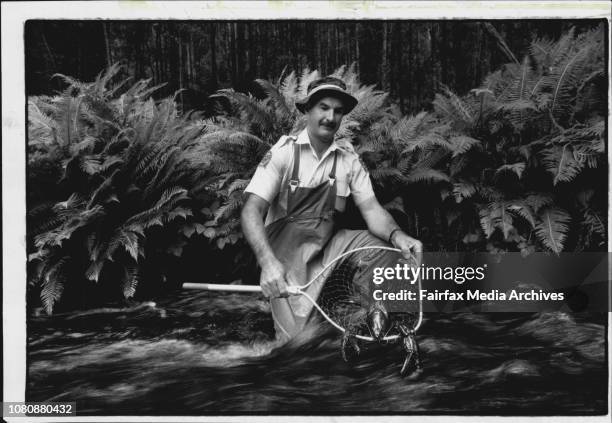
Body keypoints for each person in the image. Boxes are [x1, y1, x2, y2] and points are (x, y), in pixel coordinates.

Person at [241, 76, 422, 341]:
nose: (330, 117)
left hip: (328, 251)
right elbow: (250, 211)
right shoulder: (283, 153)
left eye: (337, 111)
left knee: (382, 248)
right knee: (296, 347)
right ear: (307, 110)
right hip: (284, 262)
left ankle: (369, 319)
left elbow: (372, 210)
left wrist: (398, 236)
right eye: (323, 107)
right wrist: (268, 263)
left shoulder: (349, 159)